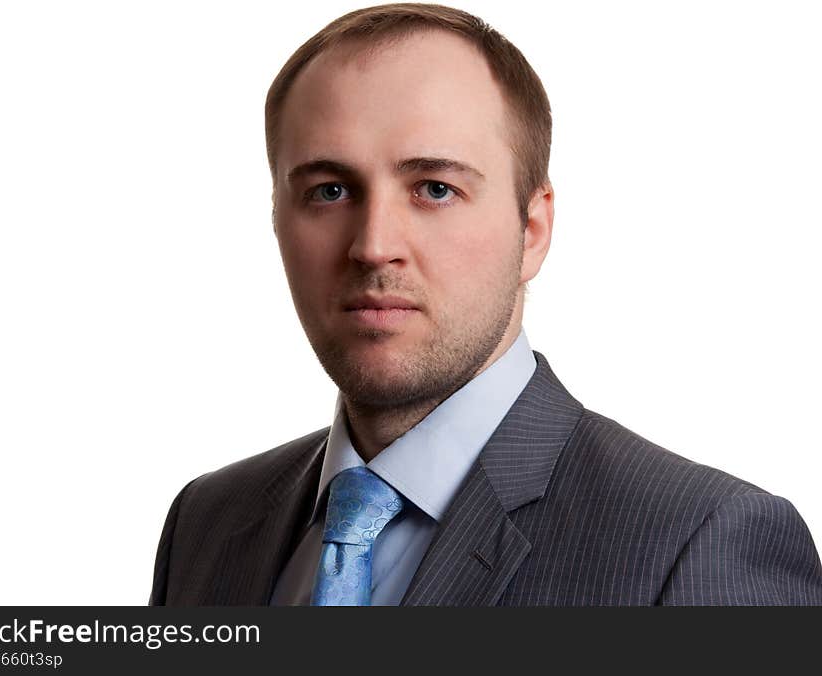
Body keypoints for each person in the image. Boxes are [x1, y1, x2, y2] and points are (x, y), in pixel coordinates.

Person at [149, 3, 822, 606]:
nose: (374, 246)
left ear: (533, 231)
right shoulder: (206, 524)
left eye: (435, 188)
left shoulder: (700, 543)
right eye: (329, 191)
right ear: (277, 219)